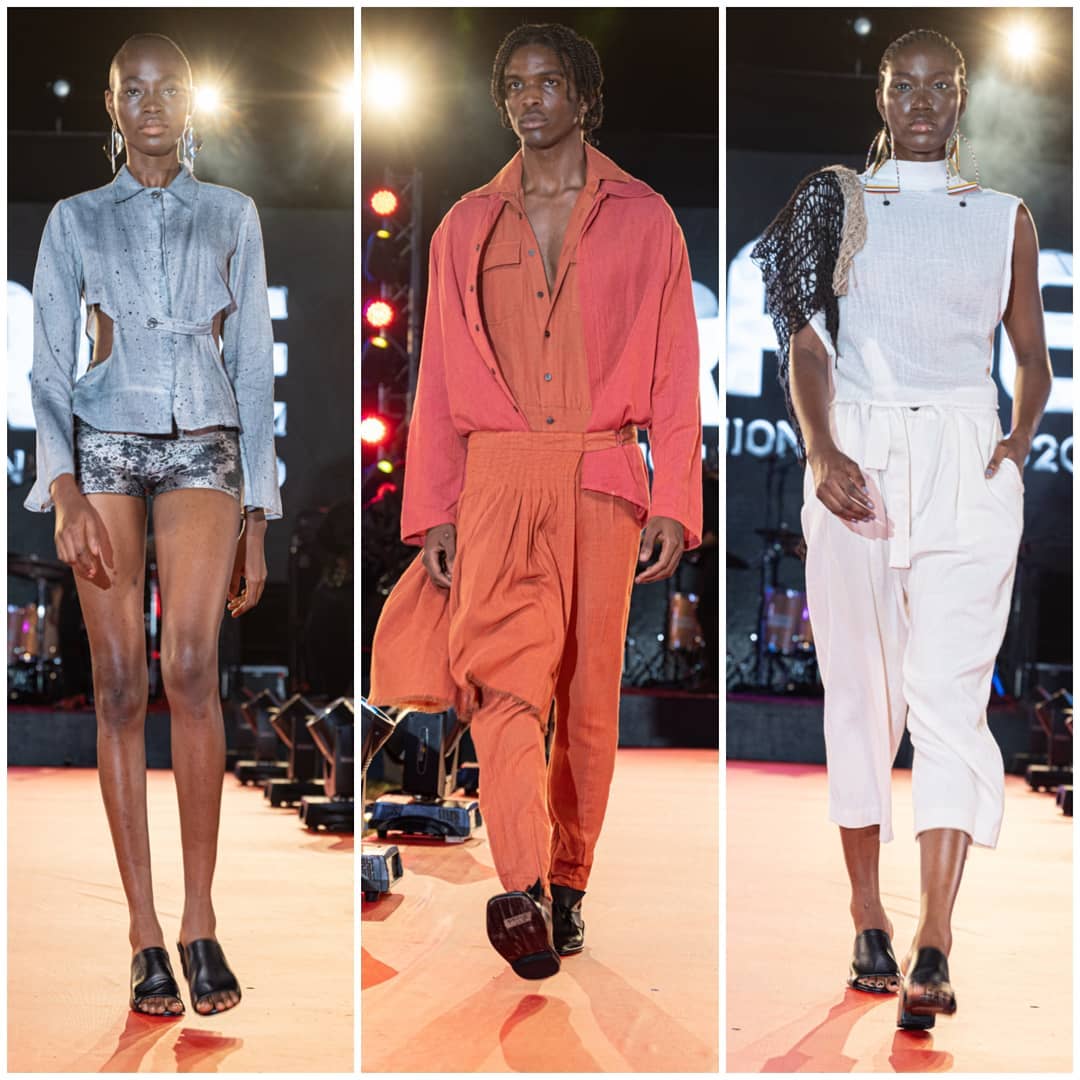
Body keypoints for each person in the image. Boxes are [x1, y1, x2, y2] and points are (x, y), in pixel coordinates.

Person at [369, 23, 702, 978]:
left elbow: (677, 370)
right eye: (515, 85)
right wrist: (436, 510)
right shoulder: (464, 224)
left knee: (586, 704)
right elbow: (439, 378)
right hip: (499, 477)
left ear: (584, 99)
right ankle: (519, 888)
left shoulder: (647, 218)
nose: (529, 98)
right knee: (499, 684)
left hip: (603, 474)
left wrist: (674, 496)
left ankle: (569, 882)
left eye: (548, 82)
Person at [752, 28, 1051, 1029]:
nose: (922, 102)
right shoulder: (836, 200)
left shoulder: (1006, 216)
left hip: (970, 456)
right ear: (881, 97)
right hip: (861, 456)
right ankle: (867, 914)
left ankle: (935, 940)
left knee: (953, 701)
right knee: (863, 697)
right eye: (904, 86)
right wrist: (822, 450)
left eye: (940, 86)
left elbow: (1031, 355)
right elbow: (806, 344)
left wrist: (1018, 438)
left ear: (961, 97)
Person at [26, 33, 281, 1016]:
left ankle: (200, 921)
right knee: (119, 684)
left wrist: (258, 510)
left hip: (205, 443)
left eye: (166, 87)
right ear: (111, 105)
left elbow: (253, 364)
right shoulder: (76, 219)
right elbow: (49, 366)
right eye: (131, 90)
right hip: (104, 445)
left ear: (191, 101)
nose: (150, 102)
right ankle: (143, 935)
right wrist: (62, 489)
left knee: (192, 669)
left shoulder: (233, 213)